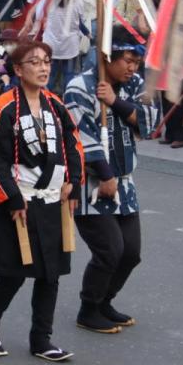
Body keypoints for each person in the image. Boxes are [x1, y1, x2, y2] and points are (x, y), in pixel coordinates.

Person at [0, 39, 84, 362]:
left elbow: (74, 146)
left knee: (51, 273)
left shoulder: (56, 105)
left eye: (47, 61)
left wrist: (74, 183)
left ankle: (42, 339)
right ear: (19, 69)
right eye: (35, 62)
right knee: (14, 271)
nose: (43, 67)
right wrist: (11, 199)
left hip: (52, 201)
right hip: (18, 201)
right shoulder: (4, 106)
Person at [64, 27, 158, 334]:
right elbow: (79, 136)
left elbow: (150, 122)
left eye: (136, 61)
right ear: (108, 57)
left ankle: (105, 300)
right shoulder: (80, 86)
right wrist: (104, 175)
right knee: (110, 250)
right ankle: (88, 308)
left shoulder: (133, 85)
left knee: (131, 253)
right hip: (91, 184)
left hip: (125, 182)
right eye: (127, 60)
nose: (133, 67)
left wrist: (115, 101)